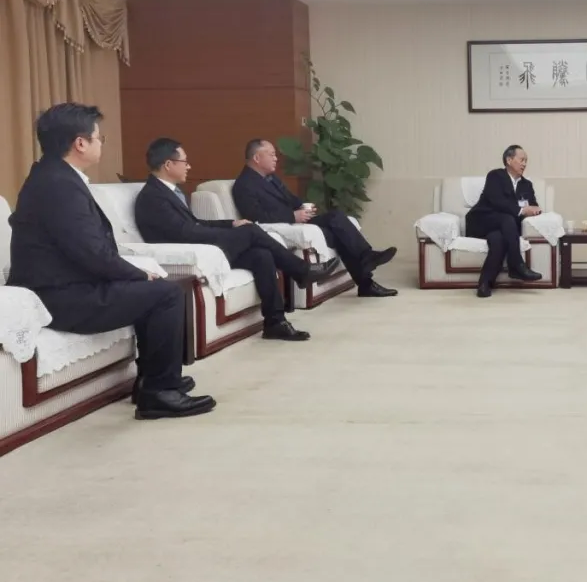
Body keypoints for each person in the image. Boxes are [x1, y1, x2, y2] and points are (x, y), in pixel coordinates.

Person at [7, 104, 214, 420]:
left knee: (156, 289)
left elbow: (88, 250)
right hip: (59, 296)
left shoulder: (54, 176)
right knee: (167, 294)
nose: (101, 143)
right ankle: (159, 393)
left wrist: (134, 273)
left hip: (65, 285)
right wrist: (137, 274)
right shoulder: (58, 185)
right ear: (80, 143)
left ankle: (151, 380)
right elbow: (90, 252)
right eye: (98, 137)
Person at [134, 138, 340, 342]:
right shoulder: (153, 197)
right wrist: (228, 234)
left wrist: (231, 224)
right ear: (168, 164)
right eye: (184, 162)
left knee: (261, 255)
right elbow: (184, 233)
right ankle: (301, 270)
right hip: (189, 251)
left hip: (199, 243)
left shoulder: (170, 192)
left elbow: (195, 223)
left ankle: (275, 322)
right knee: (250, 231)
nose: (189, 166)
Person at [231, 140, 397, 298]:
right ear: (257, 157)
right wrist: (292, 216)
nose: (276, 158)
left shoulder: (271, 178)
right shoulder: (244, 185)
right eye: (271, 154)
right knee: (337, 228)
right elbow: (255, 217)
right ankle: (366, 273)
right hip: (282, 226)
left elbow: (291, 199)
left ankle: (366, 265)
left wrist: (303, 207)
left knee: (336, 219)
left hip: (295, 220)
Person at [465, 145, 543, 298]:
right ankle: (517, 265)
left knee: (498, 240)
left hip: (504, 229)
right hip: (481, 221)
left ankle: (484, 285)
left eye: (526, 161)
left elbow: (532, 205)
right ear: (509, 160)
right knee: (507, 218)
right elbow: (496, 201)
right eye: (522, 160)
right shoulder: (495, 176)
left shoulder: (526, 185)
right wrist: (521, 210)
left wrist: (535, 211)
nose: (524, 164)